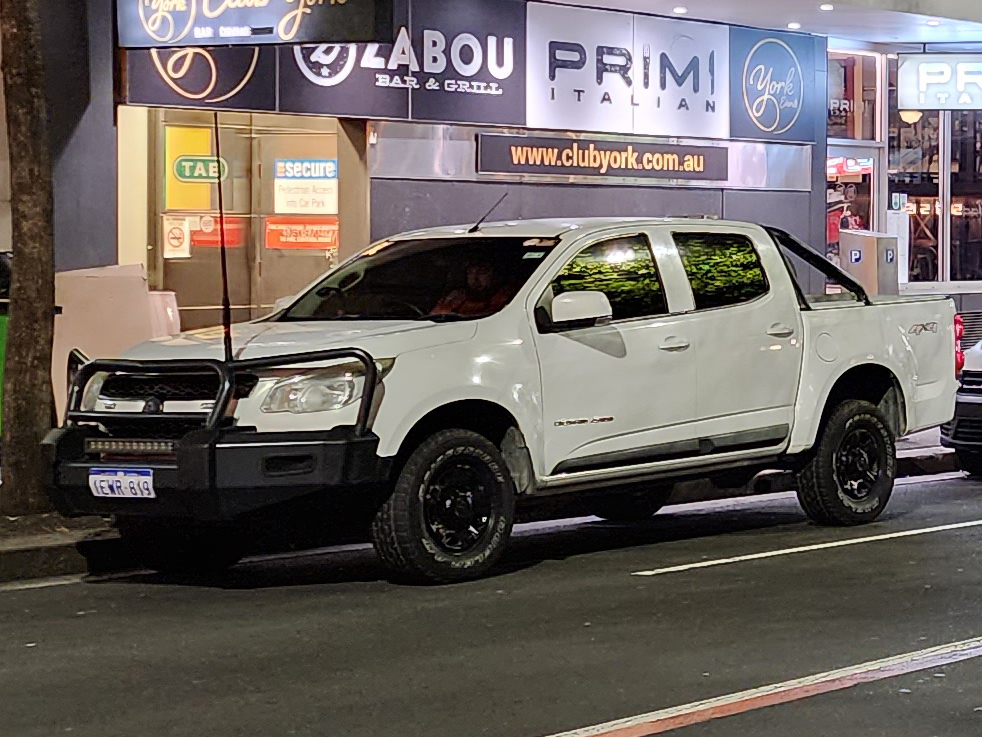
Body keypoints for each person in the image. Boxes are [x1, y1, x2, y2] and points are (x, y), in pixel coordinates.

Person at [431, 260, 514, 317]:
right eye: (471, 272)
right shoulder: (456, 296)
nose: (475, 278)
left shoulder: (505, 296)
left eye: (481, 273)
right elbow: (435, 316)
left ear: (493, 275)